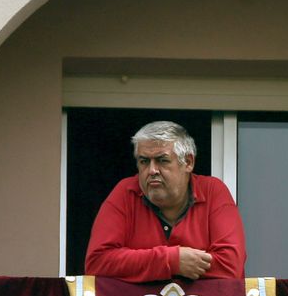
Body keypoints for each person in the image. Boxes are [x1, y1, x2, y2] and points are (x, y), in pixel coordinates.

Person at [84, 120, 247, 281]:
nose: (152, 170)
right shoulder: (125, 192)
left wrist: (142, 265)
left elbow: (230, 265)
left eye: (162, 160)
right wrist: (172, 261)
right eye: (144, 161)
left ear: (188, 162)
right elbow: (97, 263)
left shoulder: (213, 191)